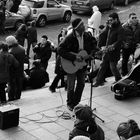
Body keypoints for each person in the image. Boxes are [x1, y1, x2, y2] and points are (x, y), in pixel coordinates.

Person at [58, 18, 98, 111]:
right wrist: (74, 57)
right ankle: (70, 103)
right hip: (71, 64)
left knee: (81, 84)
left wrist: (95, 50)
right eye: (82, 25)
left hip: (82, 65)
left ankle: (76, 103)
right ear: (76, 28)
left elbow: (93, 44)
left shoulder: (87, 35)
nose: (84, 26)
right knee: (71, 86)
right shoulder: (69, 37)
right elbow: (60, 49)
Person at [93, 12, 124, 87]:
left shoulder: (120, 29)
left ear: (116, 19)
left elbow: (119, 41)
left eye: (111, 20)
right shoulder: (110, 26)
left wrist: (110, 47)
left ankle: (118, 79)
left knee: (112, 67)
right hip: (107, 51)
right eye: (108, 20)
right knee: (102, 65)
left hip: (114, 52)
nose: (109, 21)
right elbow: (103, 33)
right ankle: (98, 81)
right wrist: (106, 27)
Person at [6, 35, 25, 101]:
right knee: (19, 84)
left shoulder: (11, 51)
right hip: (20, 69)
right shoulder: (22, 48)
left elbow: (10, 63)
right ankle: (18, 96)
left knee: (12, 85)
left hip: (13, 71)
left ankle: (11, 97)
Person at [49, 28, 67, 93]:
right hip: (62, 60)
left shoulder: (64, 40)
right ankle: (53, 87)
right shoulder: (63, 40)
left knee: (62, 74)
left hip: (63, 59)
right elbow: (58, 50)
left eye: (63, 32)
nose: (61, 33)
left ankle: (64, 86)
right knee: (61, 74)